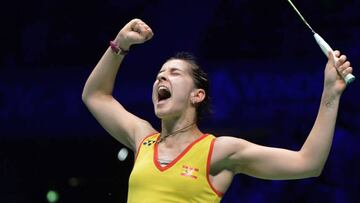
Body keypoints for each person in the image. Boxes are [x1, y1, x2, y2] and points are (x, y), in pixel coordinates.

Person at [82, 19, 353, 202]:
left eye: (174, 73)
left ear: (197, 95)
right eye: (159, 75)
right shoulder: (143, 139)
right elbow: (94, 96)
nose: (161, 79)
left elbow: (308, 163)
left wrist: (330, 93)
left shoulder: (218, 151)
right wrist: (120, 44)